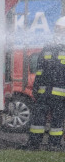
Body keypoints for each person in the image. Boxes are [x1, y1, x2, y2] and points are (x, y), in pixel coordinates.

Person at [25, 16, 65, 151]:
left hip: (47, 93)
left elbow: (40, 70)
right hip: (52, 94)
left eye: (60, 29)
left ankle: (37, 144)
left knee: (46, 119)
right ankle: (51, 144)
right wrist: (36, 88)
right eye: (58, 29)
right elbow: (40, 71)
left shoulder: (48, 47)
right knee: (49, 120)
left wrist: (36, 88)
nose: (58, 32)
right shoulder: (49, 46)